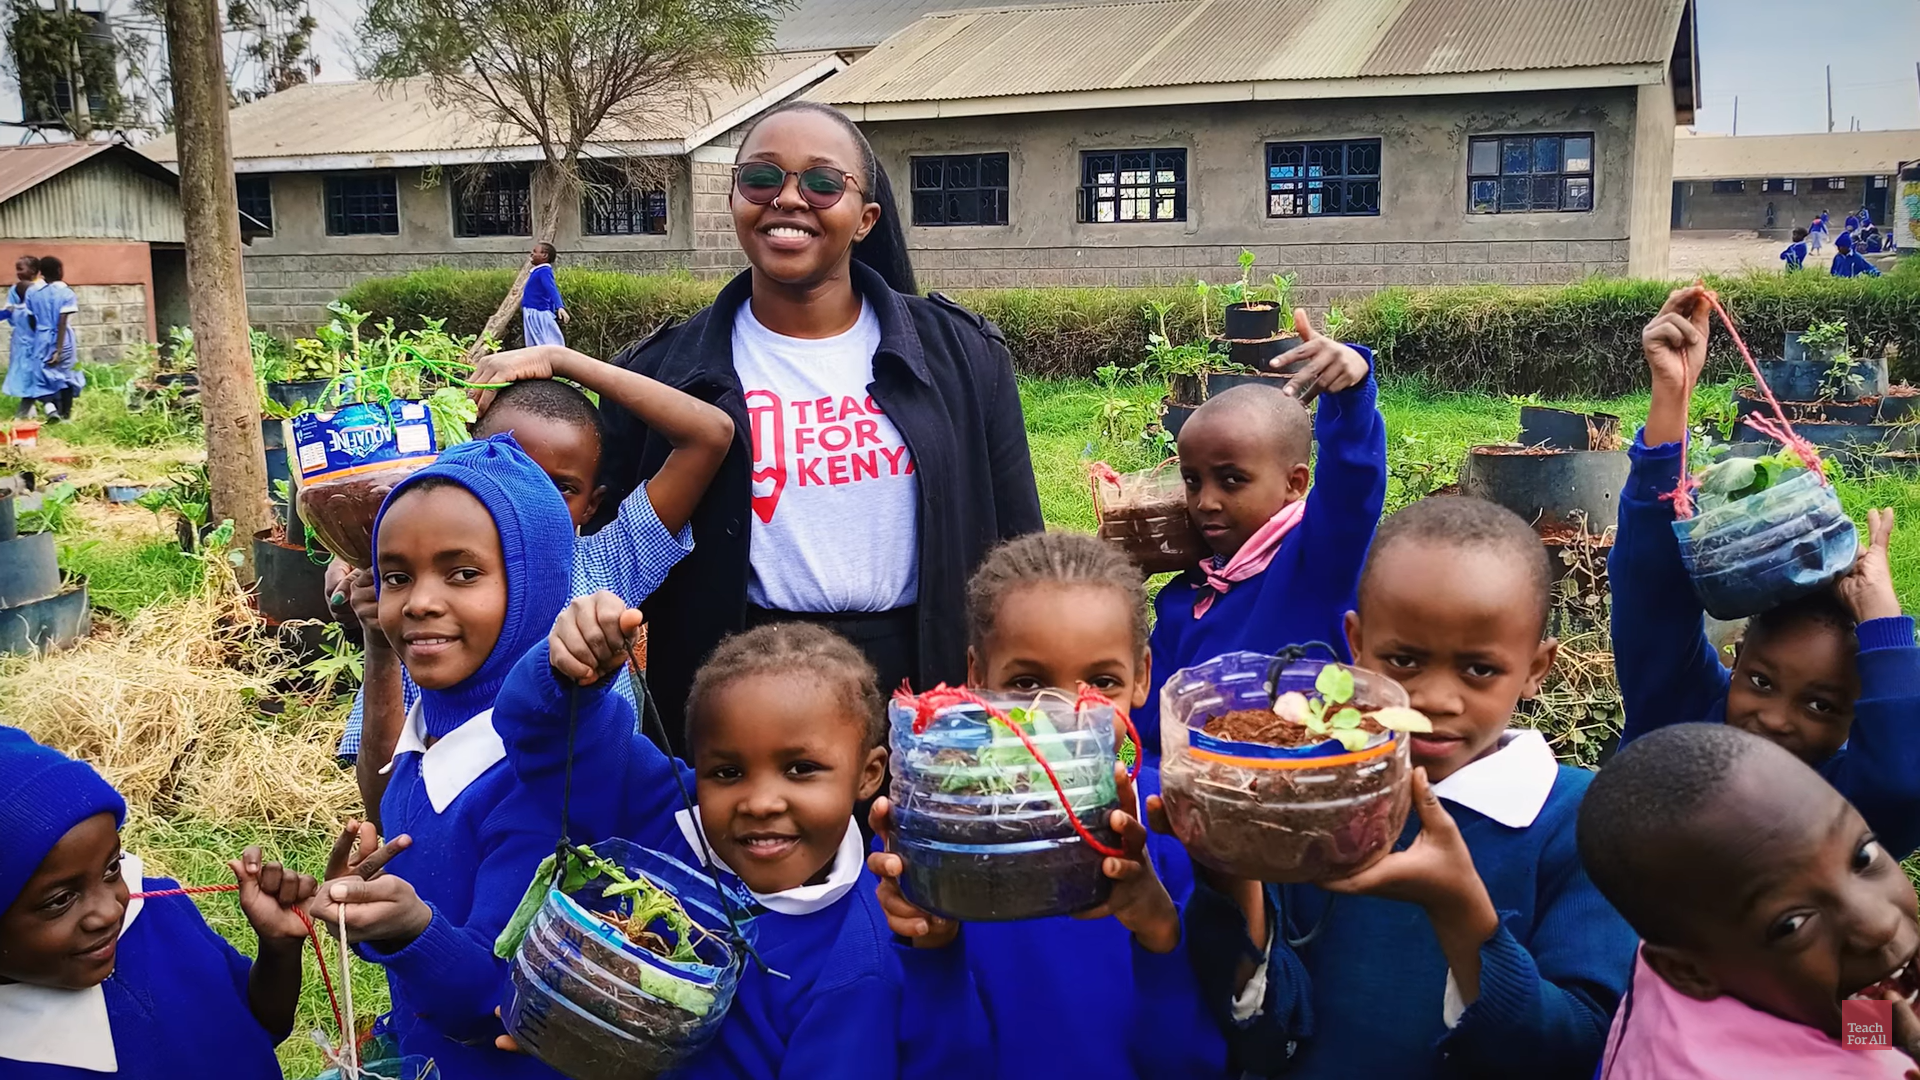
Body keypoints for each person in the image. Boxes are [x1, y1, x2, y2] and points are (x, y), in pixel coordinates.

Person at [592, 100, 1043, 747]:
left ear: (865, 218)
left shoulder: (962, 357)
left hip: (928, 689)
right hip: (736, 692)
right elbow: (597, 559)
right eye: (762, 178)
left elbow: (1020, 550)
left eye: (823, 183)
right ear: (734, 198)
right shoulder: (662, 375)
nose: (789, 200)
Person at [1182, 496, 1638, 1079]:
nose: (1433, 700)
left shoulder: (1581, 823)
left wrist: (1459, 911)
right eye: (1402, 660)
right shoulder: (1316, 791)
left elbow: (1577, 1046)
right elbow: (1265, 1028)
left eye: (1479, 669)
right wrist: (1232, 864)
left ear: (1534, 669)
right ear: (1356, 646)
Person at [493, 614, 992, 1078]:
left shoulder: (858, 958)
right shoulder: (660, 809)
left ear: (868, 775)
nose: (760, 802)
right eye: (727, 773)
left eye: (801, 769)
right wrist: (569, 670)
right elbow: (539, 731)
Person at [867, 531, 1225, 1080]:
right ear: (977, 678)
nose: (1064, 713)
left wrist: (1158, 932)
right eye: (1028, 682)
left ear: (1142, 677)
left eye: (1101, 682)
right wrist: (932, 943)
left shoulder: (1169, 822)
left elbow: (1193, 1063)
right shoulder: (938, 836)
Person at [1611, 285, 1920, 855]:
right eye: (1760, 681)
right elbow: (1648, 593)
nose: (1776, 718)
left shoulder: (1843, 809)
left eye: (1822, 705)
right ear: (1736, 654)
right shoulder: (1680, 713)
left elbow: (1904, 784)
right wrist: (1671, 397)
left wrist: (1883, 619)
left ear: (1861, 716)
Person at [307, 434, 577, 1075]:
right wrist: (374, 915)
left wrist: (408, 932)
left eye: (462, 573)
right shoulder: (423, 732)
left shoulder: (542, 773)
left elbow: (500, 1006)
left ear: (535, 582)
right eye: (398, 576)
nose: (420, 601)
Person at [338, 367, 732, 802]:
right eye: (507, 475)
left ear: (590, 505)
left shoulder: (608, 562)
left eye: (560, 487)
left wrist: (561, 359)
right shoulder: (428, 616)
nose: (531, 499)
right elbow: (384, 802)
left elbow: (709, 433)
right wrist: (378, 641)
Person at [1579, 723, 1920, 1078]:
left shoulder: (1694, 935)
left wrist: (1893, 1031)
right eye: (1792, 924)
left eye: (1862, 857)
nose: (1879, 924)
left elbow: (1812, 1029)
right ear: (1687, 971)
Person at [1130, 324, 1387, 760]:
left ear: (1295, 483)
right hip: (1205, 789)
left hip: (1304, 782)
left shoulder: (1317, 559)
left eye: (1232, 481)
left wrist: (1350, 395)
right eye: (1193, 481)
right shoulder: (1185, 595)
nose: (1206, 502)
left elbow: (1352, 488)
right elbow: (1151, 726)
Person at [0, 726, 318, 1077]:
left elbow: (259, 1023)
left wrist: (279, 949)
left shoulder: (159, 913)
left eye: (110, 868)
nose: (110, 911)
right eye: (59, 900)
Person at [26, 256, 82, 420]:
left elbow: (31, 319)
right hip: (62, 339)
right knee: (67, 375)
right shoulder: (66, 293)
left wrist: (38, 336)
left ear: (42, 273)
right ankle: (65, 414)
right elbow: (61, 322)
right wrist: (58, 349)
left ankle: (51, 408)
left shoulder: (34, 292)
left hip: (41, 336)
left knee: (44, 374)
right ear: (59, 270)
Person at [4, 255, 47, 419]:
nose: (18, 273)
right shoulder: (15, 289)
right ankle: (34, 408)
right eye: (17, 269)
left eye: (21, 269)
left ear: (34, 271)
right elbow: (9, 311)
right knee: (26, 372)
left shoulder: (43, 289)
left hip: (39, 338)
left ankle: (29, 409)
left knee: (37, 372)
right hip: (22, 339)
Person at [519, 242, 568, 348]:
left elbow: (552, 289)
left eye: (535, 251)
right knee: (536, 342)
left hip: (537, 313)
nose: (531, 254)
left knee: (545, 341)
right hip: (532, 311)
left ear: (544, 256)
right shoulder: (538, 271)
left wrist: (560, 307)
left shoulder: (544, 271)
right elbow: (546, 295)